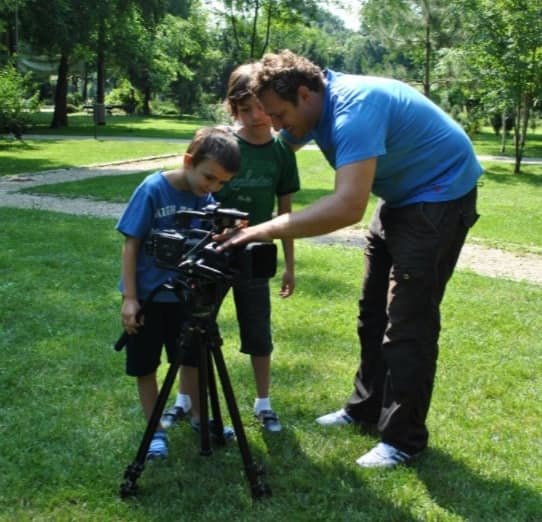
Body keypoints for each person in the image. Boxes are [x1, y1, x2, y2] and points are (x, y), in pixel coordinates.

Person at [216, 50, 482, 467]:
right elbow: (273, 143)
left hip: (439, 197)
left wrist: (263, 228)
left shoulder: (354, 110)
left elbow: (347, 207)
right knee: (371, 312)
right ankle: (365, 408)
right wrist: (224, 141)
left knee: (408, 321)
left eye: (279, 115)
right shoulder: (314, 105)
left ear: (305, 94)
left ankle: (403, 439)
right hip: (400, 197)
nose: (277, 126)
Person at [161, 63, 300, 433]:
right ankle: (183, 400)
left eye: (260, 106)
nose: (256, 117)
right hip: (213, 253)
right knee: (195, 324)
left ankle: (264, 403)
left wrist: (289, 264)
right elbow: (194, 187)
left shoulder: (282, 151)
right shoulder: (224, 145)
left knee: (258, 327)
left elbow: (286, 213)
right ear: (233, 108)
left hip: (254, 256)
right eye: (245, 108)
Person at [116, 126, 240, 460]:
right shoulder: (153, 189)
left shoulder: (207, 199)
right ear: (189, 161)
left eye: (221, 184)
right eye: (209, 177)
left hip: (187, 297)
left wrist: (227, 236)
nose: (212, 188)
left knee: (192, 359)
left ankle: (201, 418)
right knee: (145, 365)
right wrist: (130, 297)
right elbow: (131, 243)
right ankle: (155, 430)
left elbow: (207, 242)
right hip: (148, 296)